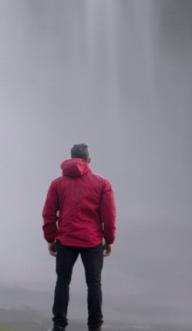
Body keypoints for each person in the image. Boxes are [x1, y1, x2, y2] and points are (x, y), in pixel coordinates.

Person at [42, 142, 116, 331]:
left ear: (71, 158)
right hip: (92, 242)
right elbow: (109, 215)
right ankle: (95, 326)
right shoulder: (102, 183)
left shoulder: (57, 183)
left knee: (62, 281)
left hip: (65, 240)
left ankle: (59, 325)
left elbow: (49, 214)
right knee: (94, 283)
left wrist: (50, 238)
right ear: (88, 160)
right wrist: (109, 240)